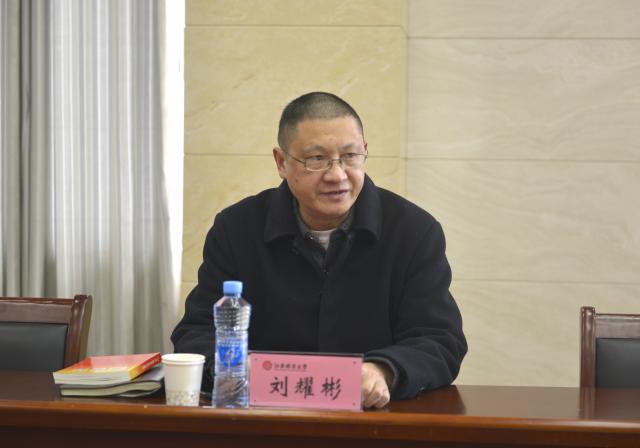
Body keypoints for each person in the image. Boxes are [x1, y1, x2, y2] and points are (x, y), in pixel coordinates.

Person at [171, 92, 467, 408]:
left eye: (350, 156)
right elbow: (196, 332)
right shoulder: (237, 228)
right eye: (316, 159)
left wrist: (384, 370)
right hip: (263, 418)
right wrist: (234, 370)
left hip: (374, 419)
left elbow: (439, 340)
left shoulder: (413, 231)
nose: (337, 175)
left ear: (365, 151)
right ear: (281, 162)